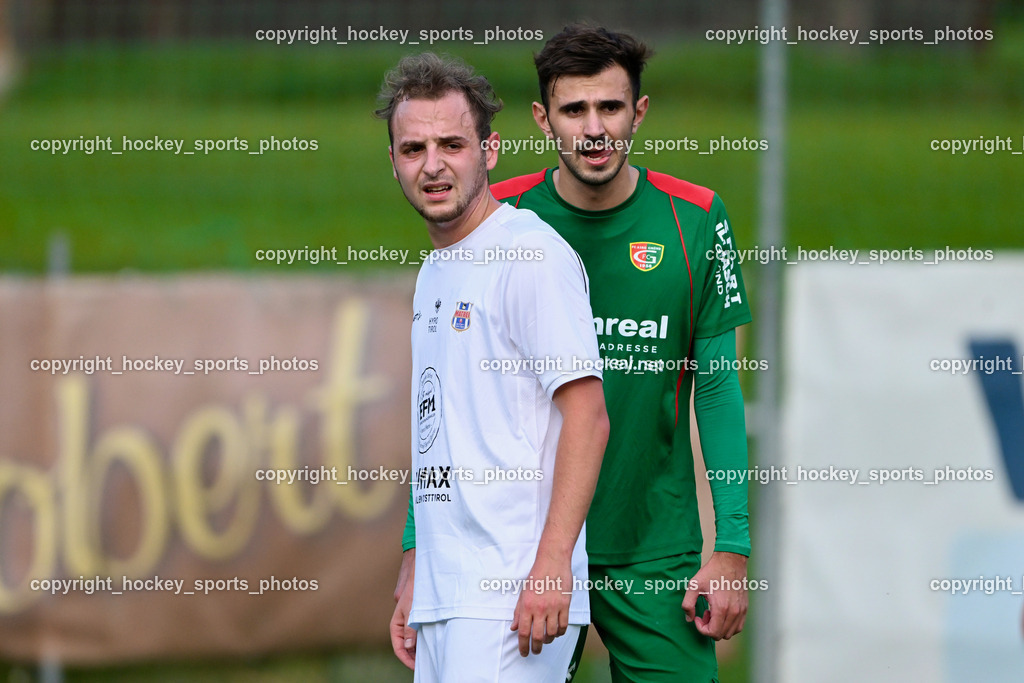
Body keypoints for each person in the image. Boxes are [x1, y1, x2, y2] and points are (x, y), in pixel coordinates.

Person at [492, 25, 754, 681]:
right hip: (520, 546)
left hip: (653, 549)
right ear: (542, 119)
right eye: (573, 109)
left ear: (638, 111)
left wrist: (734, 547)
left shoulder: (695, 218)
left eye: (609, 107)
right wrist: (417, 549)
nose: (594, 128)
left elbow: (717, 388)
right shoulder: (497, 217)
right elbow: (446, 389)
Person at [378, 52, 610, 682]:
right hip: (449, 595)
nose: (432, 165)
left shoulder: (530, 257)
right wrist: (417, 564)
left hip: (512, 596)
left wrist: (553, 564)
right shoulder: (435, 271)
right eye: (413, 148)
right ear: (393, 161)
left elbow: (587, 416)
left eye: (452, 144)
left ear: (490, 150)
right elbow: (443, 436)